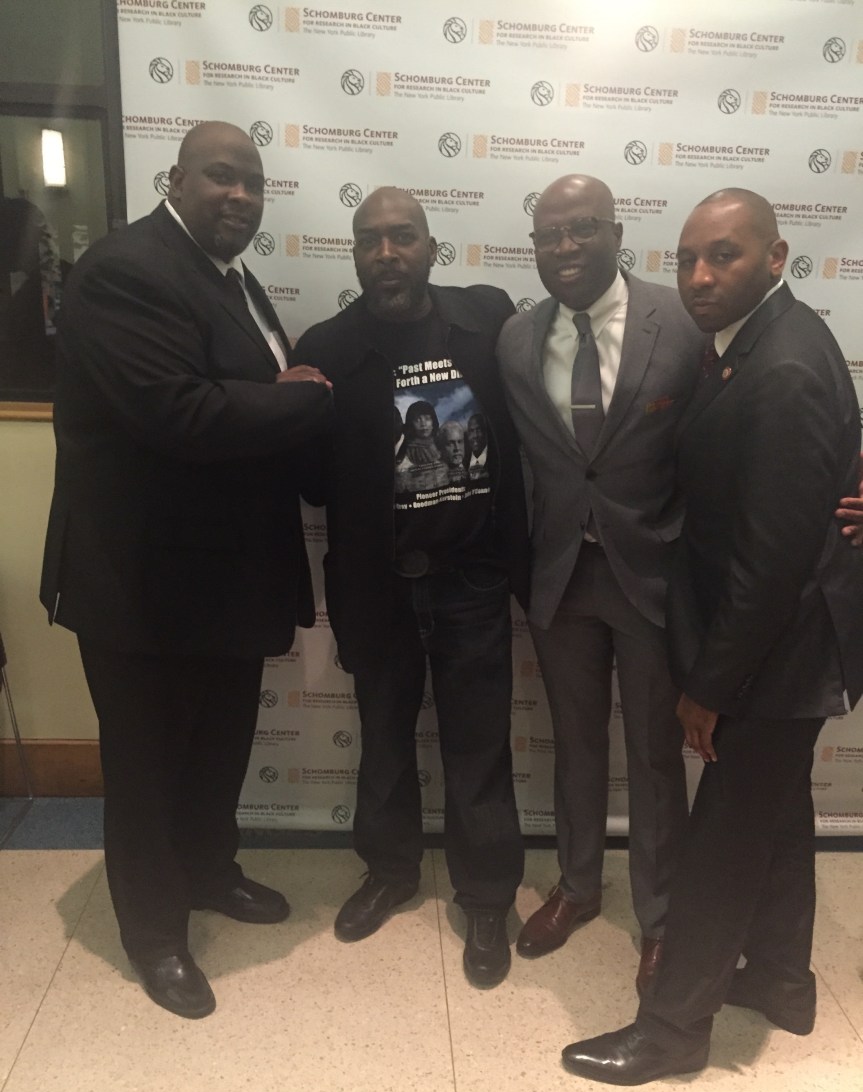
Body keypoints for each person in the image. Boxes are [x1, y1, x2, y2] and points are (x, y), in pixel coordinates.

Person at [561, 188, 863, 1086]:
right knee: (777, 813)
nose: (698, 275)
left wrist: (708, 690)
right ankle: (780, 980)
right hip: (783, 646)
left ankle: (672, 1029)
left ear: (774, 257)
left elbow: (769, 565)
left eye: (722, 255)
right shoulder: (749, 344)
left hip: (777, 654)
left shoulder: (783, 369)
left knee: (722, 840)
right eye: (686, 258)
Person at [40, 121, 332, 1019]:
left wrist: (284, 397)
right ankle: (155, 934)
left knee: (217, 747)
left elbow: (243, 395)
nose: (240, 196)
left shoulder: (229, 278)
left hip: (226, 579)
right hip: (140, 583)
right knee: (147, 765)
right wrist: (303, 400)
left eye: (254, 182)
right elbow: (182, 413)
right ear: (175, 179)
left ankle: (208, 871)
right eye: (220, 176)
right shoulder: (126, 270)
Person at [294, 187, 529, 988]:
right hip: (376, 587)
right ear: (354, 254)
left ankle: (487, 897)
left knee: (478, 747)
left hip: (471, 581)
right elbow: (312, 483)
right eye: (369, 240)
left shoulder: (487, 320)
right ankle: (390, 872)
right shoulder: (327, 346)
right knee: (385, 743)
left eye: (402, 237)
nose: (386, 253)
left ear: (431, 247)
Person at [496, 174, 703, 992]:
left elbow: (733, 431)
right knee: (575, 744)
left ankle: (662, 917)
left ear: (617, 233)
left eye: (582, 228)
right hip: (559, 577)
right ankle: (578, 886)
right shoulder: (516, 339)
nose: (565, 247)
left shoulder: (680, 323)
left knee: (653, 755)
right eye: (548, 234)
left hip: (651, 576)